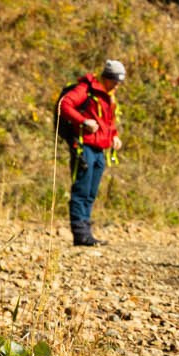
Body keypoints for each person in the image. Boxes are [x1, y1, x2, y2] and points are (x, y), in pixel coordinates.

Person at [57, 58, 126, 247]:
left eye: (120, 83)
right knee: (81, 190)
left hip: (100, 149)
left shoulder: (109, 95)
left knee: (91, 193)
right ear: (107, 77)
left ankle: (87, 233)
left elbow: (108, 121)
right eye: (115, 81)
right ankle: (80, 235)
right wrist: (83, 121)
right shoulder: (85, 89)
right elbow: (65, 105)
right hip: (83, 146)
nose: (117, 86)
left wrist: (114, 136)